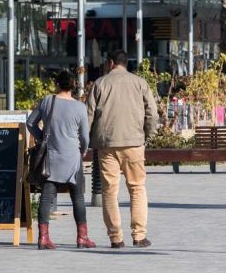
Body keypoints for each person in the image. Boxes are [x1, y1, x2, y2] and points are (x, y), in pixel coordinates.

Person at [87, 50, 159, 248]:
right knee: (137, 188)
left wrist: (86, 141)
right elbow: (152, 114)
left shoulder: (100, 84)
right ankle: (139, 235)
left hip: (107, 144)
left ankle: (116, 238)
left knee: (110, 191)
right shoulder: (139, 83)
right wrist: (146, 136)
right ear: (126, 64)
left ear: (111, 63)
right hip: (134, 143)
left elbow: (89, 116)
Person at [26, 70, 93, 250]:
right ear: (73, 86)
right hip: (72, 158)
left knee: (46, 197)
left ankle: (44, 237)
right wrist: (83, 151)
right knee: (77, 197)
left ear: (57, 84)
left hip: (51, 157)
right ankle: (82, 237)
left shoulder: (48, 101)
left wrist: (41, 138)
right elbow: (85, 137)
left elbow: (30, 122)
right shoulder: (80, 107)